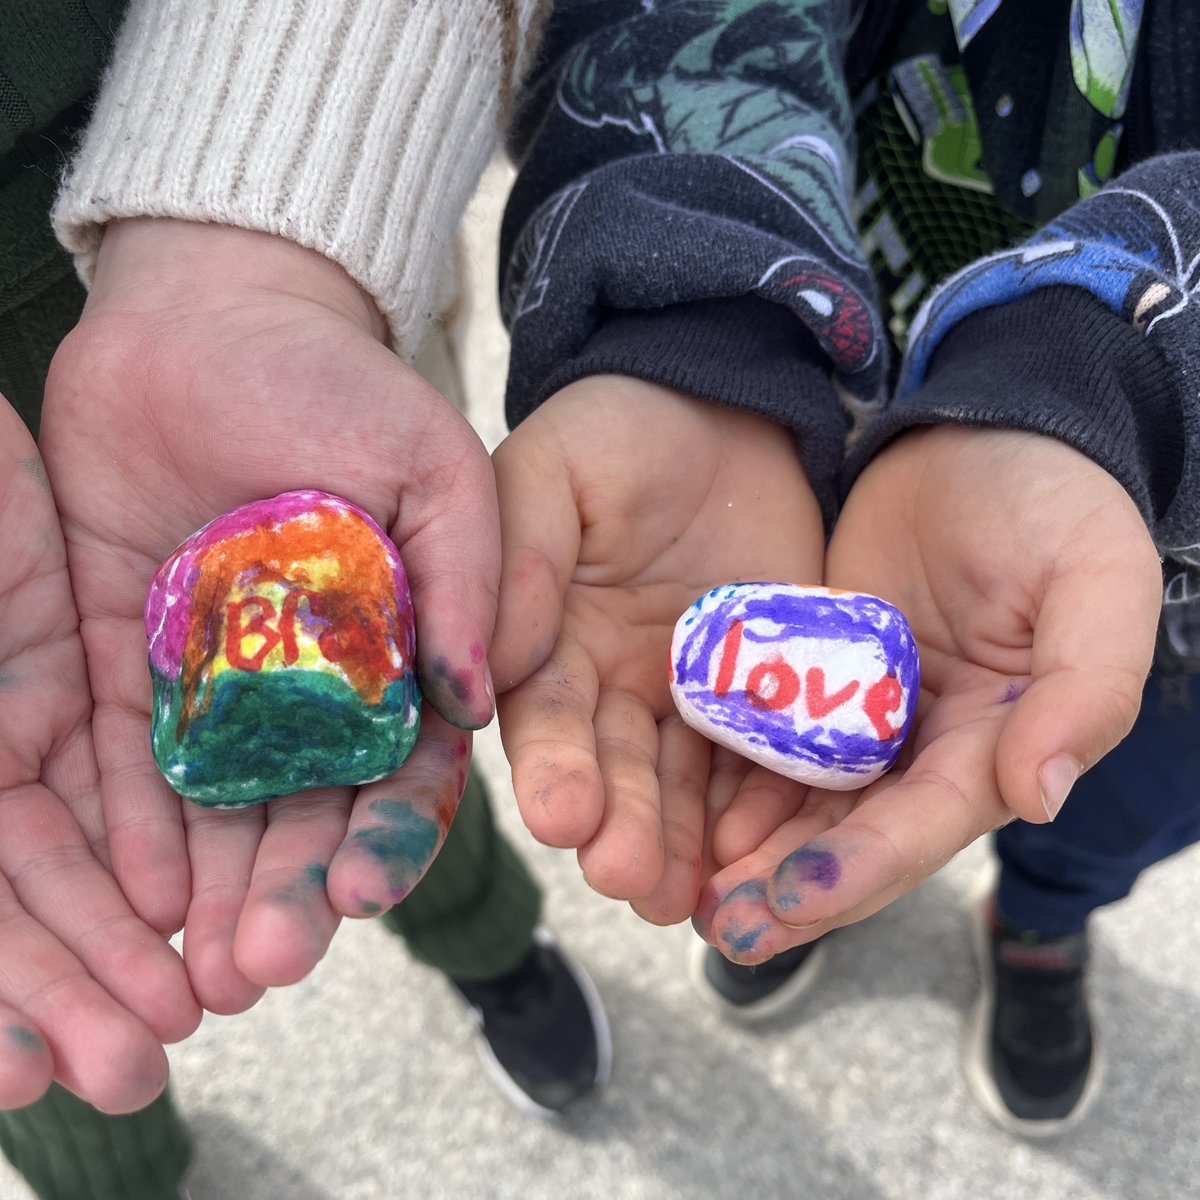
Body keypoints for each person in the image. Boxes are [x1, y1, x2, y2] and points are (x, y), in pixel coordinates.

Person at [484, 0, 1199, 1140]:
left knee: (1089, 787)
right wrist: (703, 322)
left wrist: (1113, 376)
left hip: (1174, 570)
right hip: (806, 398)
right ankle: (833, 899)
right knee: (862, 811)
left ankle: (1043, 921)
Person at [1, 3, 608, 1198]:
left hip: (241, 205)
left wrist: (257, 251)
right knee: (50, 945)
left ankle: (489, 945)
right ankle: (108, 1173)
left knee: (406, 739)